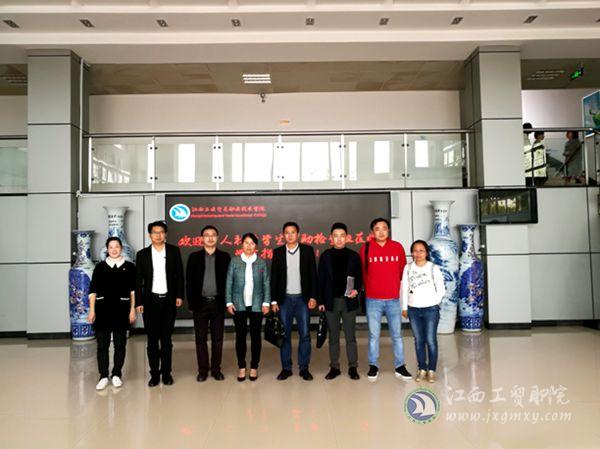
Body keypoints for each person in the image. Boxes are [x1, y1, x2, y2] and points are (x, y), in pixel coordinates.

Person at [360, 217, 412, 382]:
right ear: (372, 232)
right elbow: (363, 272)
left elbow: (403, 274)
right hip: (373, 300)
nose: (381, 231)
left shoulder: (397, 247)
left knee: (397, 335)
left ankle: (400, 366)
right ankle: (373, 365)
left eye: (384, 228)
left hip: (393, 300)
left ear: (388, 230)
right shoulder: (366, 248)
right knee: (373, 335)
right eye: (377, 229)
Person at [135, 221, 184, 387]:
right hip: (150, 302)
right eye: (155, 232)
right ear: (150, 235)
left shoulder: (173, 251)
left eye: (161, 232)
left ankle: (167, 373)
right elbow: (138, 280)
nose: (158, 235)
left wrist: (179, 295)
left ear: (166, 234)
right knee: (152, 340)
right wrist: (139, 301)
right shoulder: (142, 254)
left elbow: (179, 275)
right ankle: (154, 374)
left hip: (169, 301)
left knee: (166, 339)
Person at [271, 221, 318, 381]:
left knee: (305, 334)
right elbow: (274, 278)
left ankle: (304, 368)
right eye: (287, 232)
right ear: (283, 235)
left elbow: (313, 275)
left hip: (302, 299)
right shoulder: (278, 252)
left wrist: (313, 297)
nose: (290, 235)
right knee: (284, 335)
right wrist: (274, 301)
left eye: (293, 232)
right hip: (284, 299)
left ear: (298, 234)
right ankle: (286, 368)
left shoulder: (307, 250)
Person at [88, 237, 136, 390]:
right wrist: (92, 310)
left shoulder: (129, 267)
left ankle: (116, 374)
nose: (114, 250)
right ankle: (103, 376)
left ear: (121, 248)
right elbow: (93, 291)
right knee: (102, 346)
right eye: (111, 247)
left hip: (122, 311)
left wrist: (132, 310)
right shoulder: (100, 267)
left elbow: (133, 291)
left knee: (120, 345)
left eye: (117, 247)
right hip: (102, 311)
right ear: (107, 249)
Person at [317, 222, 362, 380]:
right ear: (331, 237)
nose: (339, 239)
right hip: (331, 302)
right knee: (333, 337)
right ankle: (334, 367)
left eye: (342, 236)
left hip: (348, 301)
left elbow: (359, 277)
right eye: (336, 236)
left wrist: (356, 290)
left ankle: (353, 367)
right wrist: (321, 301)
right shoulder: (325, 256)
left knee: (350, 336)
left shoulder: (353, 256)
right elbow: (321, 280)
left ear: (347, 237)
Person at [186, 225, 231, 382]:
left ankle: (216, 370)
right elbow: (189, 282)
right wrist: (192, 303)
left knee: (218, 339)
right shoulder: (194, 257)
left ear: (217, 238)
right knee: (201, 339)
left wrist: (228, 302)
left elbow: (229, 282)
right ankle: (203, 370)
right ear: (202, 238)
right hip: (200, 304)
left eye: (213, 235)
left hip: (218, 303)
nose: (210, 238)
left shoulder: (225, 257)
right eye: (207, 235)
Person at [225, 233, 271, 381]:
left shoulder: (261, 262)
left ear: (256, 245)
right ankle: (241, 367)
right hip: (239, 304)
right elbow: (229, 283)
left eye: (252, 243)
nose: (249, 246)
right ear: (242, 245)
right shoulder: (235, 261)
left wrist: (266, 302)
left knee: (256, 337)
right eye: (246, 243)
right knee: (240, 336)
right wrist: (229, 302)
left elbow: (266, 283)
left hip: (257, 305)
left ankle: (254, 367)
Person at [401, 240, 445, 383]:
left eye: (421, 250)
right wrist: (404, 307)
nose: (418, 253)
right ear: (411, 253)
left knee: (430, 340)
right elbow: (404, 288)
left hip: (430, 309)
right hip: (413, 309)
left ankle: (431, 370)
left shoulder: (433, 268)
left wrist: (434, 302)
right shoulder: (408, 268)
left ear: (426, 253)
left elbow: (441, 289)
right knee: (418, 340)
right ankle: (422, 369)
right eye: (415, 250)